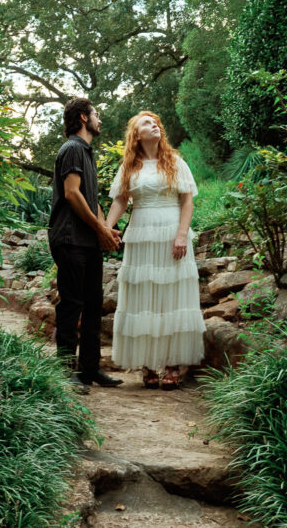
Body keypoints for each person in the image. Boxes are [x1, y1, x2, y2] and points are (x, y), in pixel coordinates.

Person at [105, 111, 206, 389]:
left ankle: (172, 364)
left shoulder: (175, 162)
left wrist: (182, 235)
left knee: (171, 296)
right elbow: (120, 202)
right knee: (144, 297)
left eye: (156, 122)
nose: (155, 126)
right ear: (136, 135)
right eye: (147, 124)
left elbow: (187, 201)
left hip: (171, 231)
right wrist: (105, 228)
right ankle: (148, 364)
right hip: (141, 234)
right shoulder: (129, 167)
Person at [48, 98, 123, 391]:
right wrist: (99, 230)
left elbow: (90, 200)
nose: (100, 120)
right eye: (96, 115)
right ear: (83, 117)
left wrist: (107, 231)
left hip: (88, 243)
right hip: (70, 240)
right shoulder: (73, 148)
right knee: (72, 305)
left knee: (93, 306)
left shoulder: (86, 152)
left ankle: (90, 370)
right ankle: (65, 374)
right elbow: (71, 194)